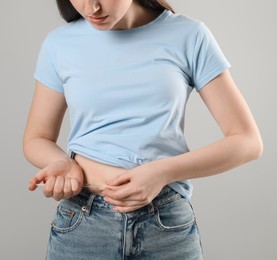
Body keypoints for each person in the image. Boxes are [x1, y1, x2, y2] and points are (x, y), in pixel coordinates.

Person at [23, 0, 263, 259]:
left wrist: (161, 172)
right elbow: (37, 138)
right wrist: (63, 164)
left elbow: (247, 141)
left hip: (165, 224)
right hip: (83, 222)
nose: (91, 7)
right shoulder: (59, 44)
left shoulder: (189, 35)